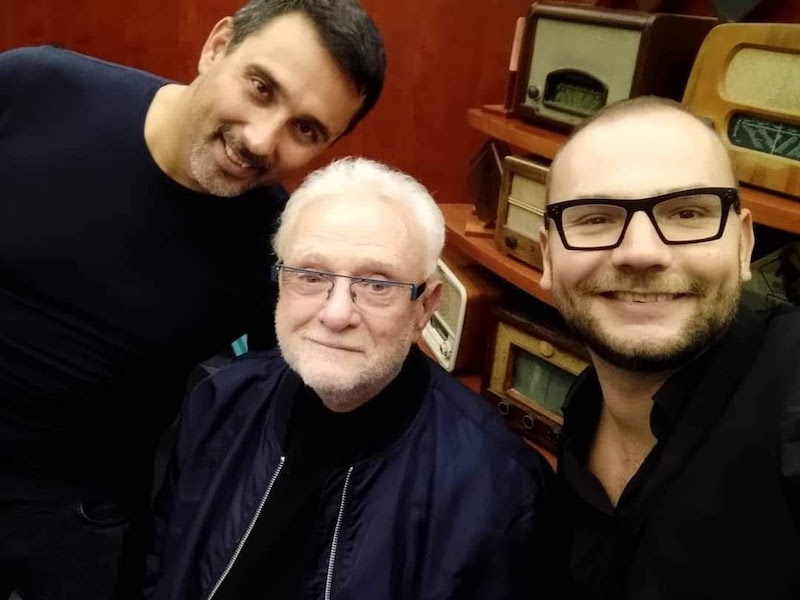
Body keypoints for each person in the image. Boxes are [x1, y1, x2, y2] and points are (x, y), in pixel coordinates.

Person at [0, 1, 385, 597]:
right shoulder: (33, 86)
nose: (261, 139)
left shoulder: (276, 246)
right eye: (261, 88)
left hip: (77, 522)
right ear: (217, 46)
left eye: (306, 130)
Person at [144, 156, 555, 599]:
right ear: (281, 284)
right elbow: (161, 569)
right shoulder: (219, 401)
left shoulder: (498, 485)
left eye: (378, 284)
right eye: (310, 275)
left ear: (425, 306)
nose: (336, 314)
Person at [539, 95, 800, 599]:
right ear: (547, 255)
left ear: (743, 245)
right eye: (595, 218)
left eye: (687, 213)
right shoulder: (585, 407)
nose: (641, 252)